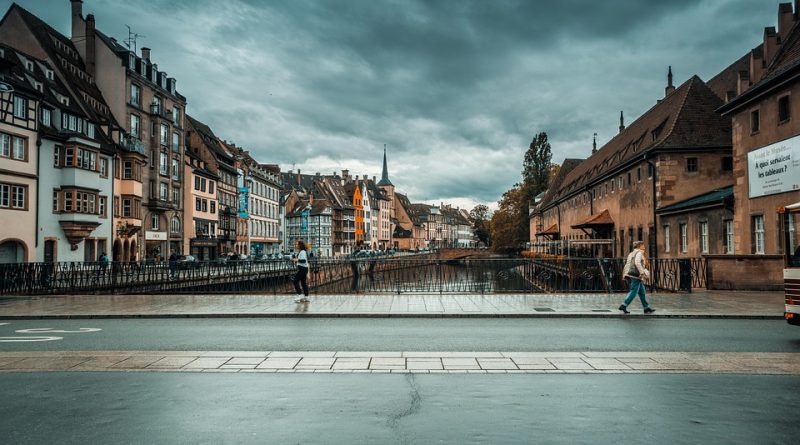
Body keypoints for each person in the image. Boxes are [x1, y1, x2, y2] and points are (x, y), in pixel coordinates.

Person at [619, 240, 655, 314]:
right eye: (642, 245)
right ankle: (624, 305)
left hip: (631, 274)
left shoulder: (631, 253)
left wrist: (625, 274)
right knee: (634, 291)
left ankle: (646, 307)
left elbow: (627, 264)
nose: (644, 246)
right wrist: (642, 272)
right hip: (636, 275)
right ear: (639, 246)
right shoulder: (639, 253)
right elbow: (637, 262)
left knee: (642, 292)